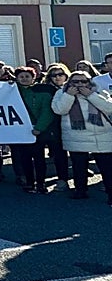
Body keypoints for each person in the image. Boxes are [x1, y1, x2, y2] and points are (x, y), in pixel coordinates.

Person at [52, 70, 112, 202]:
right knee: (79, 166)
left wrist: (91, 95)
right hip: (76, 135)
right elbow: (59, 109)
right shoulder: (61, 93)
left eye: (83, 81)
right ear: (69, 82)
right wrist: (69, 96)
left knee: (107, 168)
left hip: (101, 135)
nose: (79, 84)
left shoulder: (99, 91)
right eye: (75, 81)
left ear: (89, 82)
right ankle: (80, 190)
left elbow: (109, 108)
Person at [12, 66, 53, 194]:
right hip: (21, 131)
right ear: (17, 78)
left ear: (33, 78)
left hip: (37, 130)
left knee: (39, 159)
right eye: (21, 77)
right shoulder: (12, 92)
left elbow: (47, 111)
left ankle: (41, 183)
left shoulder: (42, 92)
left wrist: (39, 128)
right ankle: (29, 182)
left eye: (27, 76)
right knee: (24, 158)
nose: (24, 79)